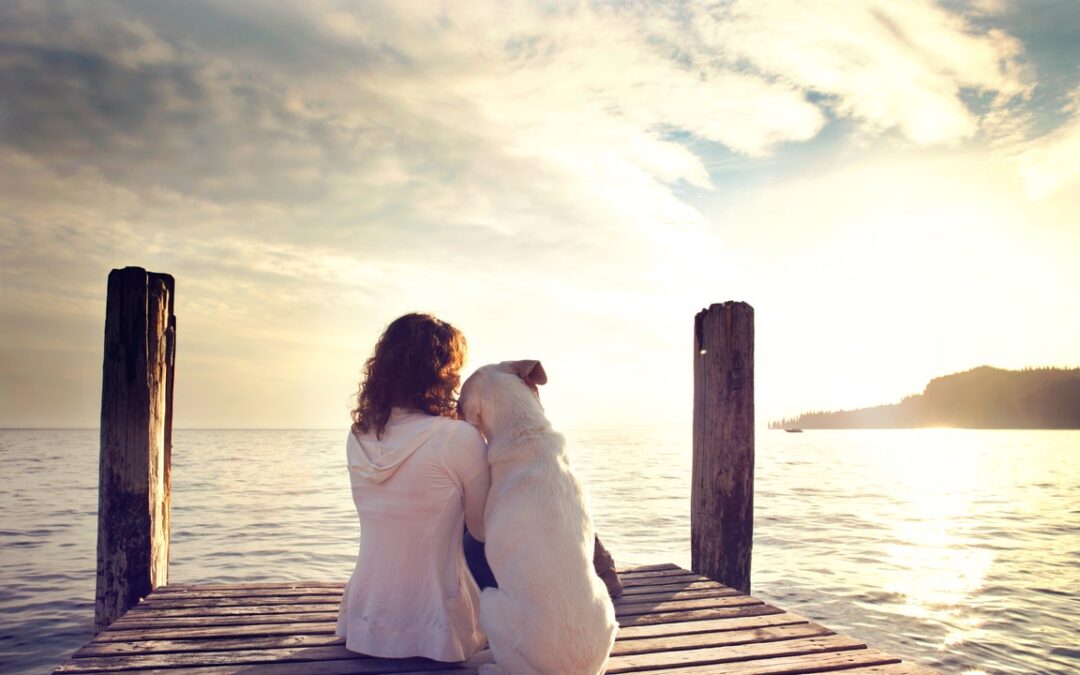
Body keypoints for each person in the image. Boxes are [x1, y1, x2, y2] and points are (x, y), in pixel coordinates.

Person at [336, 313, 490, 662]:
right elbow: (481, 530)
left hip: (364, 620)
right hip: (438, 628)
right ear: (442, 373)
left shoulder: (358, 434)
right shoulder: (459, 437)